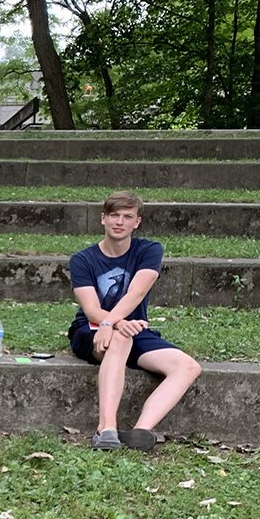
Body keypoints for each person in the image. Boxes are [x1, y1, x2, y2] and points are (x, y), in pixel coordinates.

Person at [68, 191, 202, 450]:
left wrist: (115, 323)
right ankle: (106, 429)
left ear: (136, 222)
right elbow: (92, 309)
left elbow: (137, 292)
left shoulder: (149, 250)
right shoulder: (82, 260)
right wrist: (111, 324)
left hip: (132, 329)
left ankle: (141, 430)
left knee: (187, 367)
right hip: (92, 329)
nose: (120, 221)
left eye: (127, 216)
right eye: (114, 215)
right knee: (120, 339)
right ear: (103, 219)